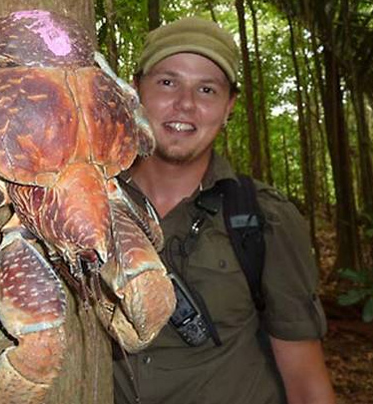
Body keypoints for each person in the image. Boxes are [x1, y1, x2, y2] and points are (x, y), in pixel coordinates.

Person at [113, 16, 336, 404]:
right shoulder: (87, 204)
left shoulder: (265, 218)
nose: (185, 104)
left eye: (207, 89)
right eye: (167, 82)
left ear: (229, 106)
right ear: (135, 91)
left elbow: (305, 381)